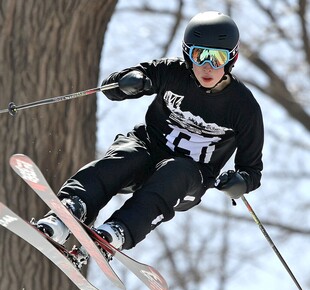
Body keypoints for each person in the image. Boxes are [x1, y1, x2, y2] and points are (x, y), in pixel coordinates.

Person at [37, 11, 264, 251]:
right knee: (126, 156)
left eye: (216, 58)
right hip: (147, 149)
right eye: (200, 55)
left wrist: (240, 182)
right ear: (188, 54)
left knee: (176, 170)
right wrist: (128, 83)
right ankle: (70, 209)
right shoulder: (171, 73)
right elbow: (111, 87)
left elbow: (252, 170)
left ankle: (119, 231)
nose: (207, 67)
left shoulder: (243, 108)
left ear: (231, 59)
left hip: (190, 178)